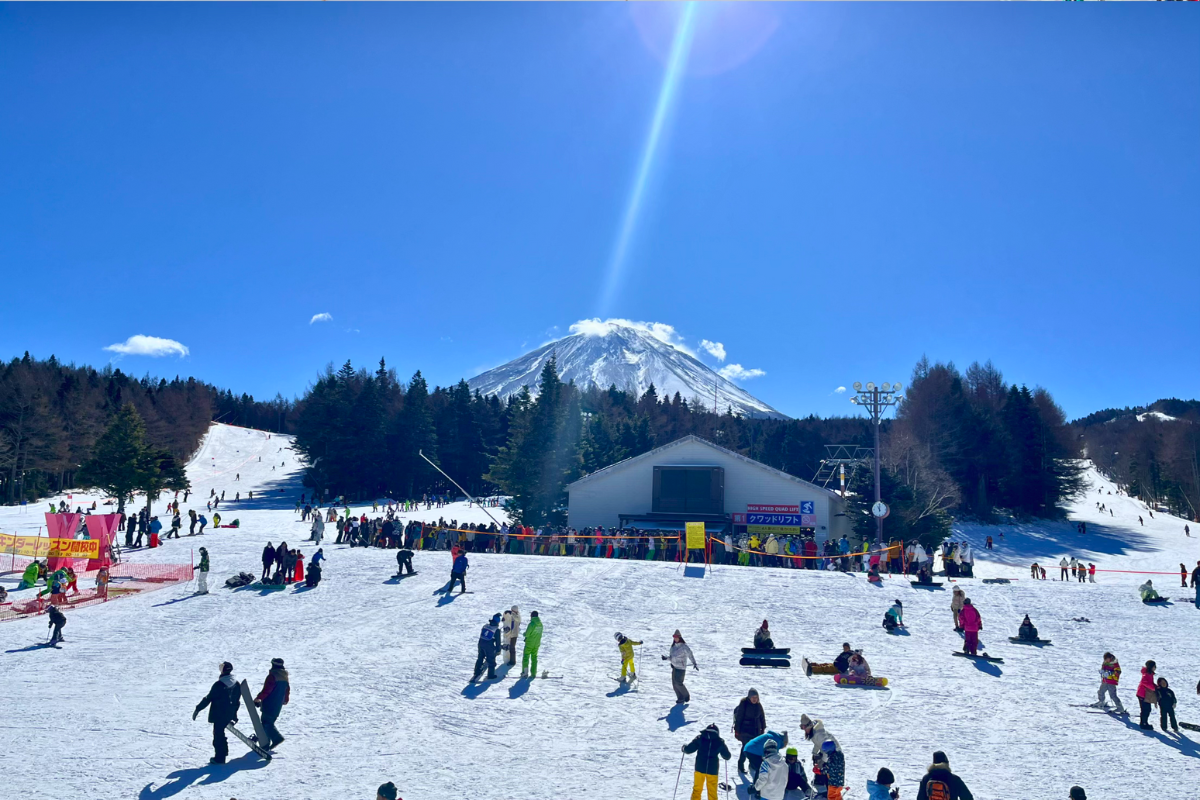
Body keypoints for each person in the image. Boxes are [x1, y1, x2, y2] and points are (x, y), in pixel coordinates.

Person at [192, 661, 240, 764]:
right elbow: (237, 700)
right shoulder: (236, 683)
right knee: (220, 734)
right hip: (231, 713)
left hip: (219, 714)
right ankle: (223, 753)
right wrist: (234, 715)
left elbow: (208, 698)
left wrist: (198, 708)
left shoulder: (218, 685)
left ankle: (220, 757)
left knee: (218, 735)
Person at [682, 723, 731, 800]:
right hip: (713, 770)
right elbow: (727, 756)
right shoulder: (719, 741)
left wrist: (684, 748)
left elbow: (688, 750)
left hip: (699, 768)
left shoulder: (700, 738)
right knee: (712, 791)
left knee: (697, 789)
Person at [254, 657, 291, 749]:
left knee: (267, 723)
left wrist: (258, 698)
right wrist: (286, 699)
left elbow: (267, 690)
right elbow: (287, 689)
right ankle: (265, 743)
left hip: (270, 703)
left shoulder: (273, 676)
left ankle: (277, 738)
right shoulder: (284, 676)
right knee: (267, 723)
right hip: (277, 704)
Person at [733, 689, 766, 774]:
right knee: (746, 748)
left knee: (755, 748)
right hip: (745, 730)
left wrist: (763, 728)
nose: (754, 699)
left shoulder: (759, 706)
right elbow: (739, 717)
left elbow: (762, 718)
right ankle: (740, 765)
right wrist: (737, 730)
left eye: (756, 697)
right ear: (749, 697)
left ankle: (752, 765)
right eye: (753, 697)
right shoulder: (744, 704)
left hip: (756, 731)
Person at [664, 629, 698, 703]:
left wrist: (694, 663)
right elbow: (672, 657)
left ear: (680, 637)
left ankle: (686, 696)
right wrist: (666, 658)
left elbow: (690, 654)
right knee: (674, 684)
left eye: (676, 637)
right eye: (674, 637)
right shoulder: (673, 647)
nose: (675, 638)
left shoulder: (684, 647)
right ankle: (680, 698)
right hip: (674, 667)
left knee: (678, 682)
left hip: (681, 668)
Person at [472, 614, 502, 682]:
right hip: (488, 646)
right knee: (491, 659)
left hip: (481, 643)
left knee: (480, 657)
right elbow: (498, 642)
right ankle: (491, 675)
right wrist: (498, 650)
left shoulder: (485, 626)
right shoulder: (496, 630)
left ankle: (477, 671)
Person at [1136, 660, 1157, 730]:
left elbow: (1150, 683)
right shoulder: (1146, 674)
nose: (1155, 668)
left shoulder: (1150, 674)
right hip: (1142, 694)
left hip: (1145, 694)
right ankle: (1143, 723)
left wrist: (1156, 686)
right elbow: (1145, 683)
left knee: (1147, 709)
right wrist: (1153, 688)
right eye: (1154, 666)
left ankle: (1144, 722)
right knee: (1145, 709)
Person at [521, 611, 542, 678]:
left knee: (526, 657)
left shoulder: (532, 624)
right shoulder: (540, 624)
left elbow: (527, 634)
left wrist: (524, 634)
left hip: (530, 643)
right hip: (537, 643)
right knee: (534, 658)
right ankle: (533, 673)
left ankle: (525, 672)